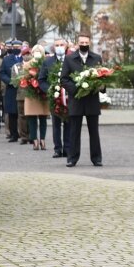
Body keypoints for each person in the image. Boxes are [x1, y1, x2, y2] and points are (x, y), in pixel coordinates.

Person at [60, 32, 103, 167]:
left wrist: (97, 86)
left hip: (92, 100)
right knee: (74, 131)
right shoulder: (69, 59)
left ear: (89, 43)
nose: (84, 45)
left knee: (94, 131)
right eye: (81, 43)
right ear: (77, 43)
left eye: (86, 43)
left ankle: (96, 158)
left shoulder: (96, 58)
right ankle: (72, 158)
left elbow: (102, 76)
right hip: (76, 100)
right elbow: (64, 79)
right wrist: (76, 89)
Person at [39, 38, 71, 158]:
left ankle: (67, 148)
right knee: (56, 123)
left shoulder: (71, 60)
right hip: (54, 98)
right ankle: (57, 148)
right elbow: (41, 80)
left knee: (68, 123)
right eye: (57, 45)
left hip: (68, 97)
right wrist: (50, 90)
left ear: (66, 46)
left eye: (61, 44)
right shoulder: (47, 62)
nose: (59, 47)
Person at [23, 44, 50, 150]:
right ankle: (34, 140)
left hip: (42, 93)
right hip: (31, 94)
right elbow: (23, 77)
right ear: (32, 53)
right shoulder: (27, 64)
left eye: (40, 51)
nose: (37, 53)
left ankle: (42, 140)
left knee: (43, 117)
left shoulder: (46, 63)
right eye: (35, 51)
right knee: (32, 118)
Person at [0, 40, 23, 142]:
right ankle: (14, 134)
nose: (16, 49)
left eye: (18, 47)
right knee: (12, 113)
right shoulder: (7, 60)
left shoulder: (26, 58)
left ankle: (26, 134)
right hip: (12, 89)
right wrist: (10, 81)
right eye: (14, 47)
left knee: (24, 112)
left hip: (24, 89)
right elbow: (2, 73)